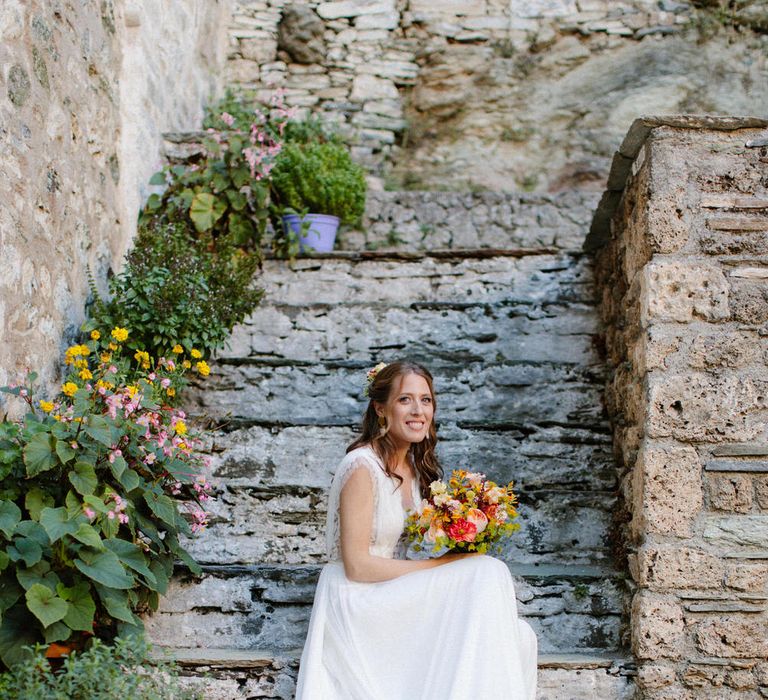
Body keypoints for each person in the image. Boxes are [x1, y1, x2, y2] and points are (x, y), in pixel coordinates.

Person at [295, 360, 537, 699]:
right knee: (486, 572)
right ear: (381, 408)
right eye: (405, 399)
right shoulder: (361, 466)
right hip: (356, 598)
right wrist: (441, 566)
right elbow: (357, 566)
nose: (418, 410)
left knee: (515, 633)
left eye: (426, 400)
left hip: (392, 591)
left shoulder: (415, 468)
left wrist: (462, 534)